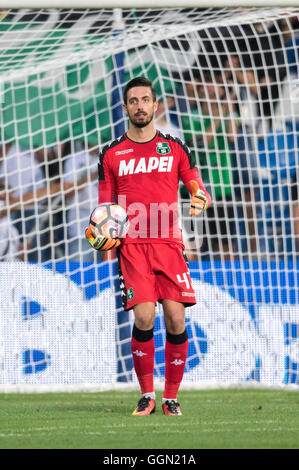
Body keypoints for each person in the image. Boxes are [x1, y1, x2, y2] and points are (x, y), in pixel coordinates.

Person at [85, 76, 211, 416]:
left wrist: (200, 196)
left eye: (145, 99)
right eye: (133, 100)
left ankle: (170, 397)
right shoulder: (111, 154)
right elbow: (103, 208)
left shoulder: (176, 147)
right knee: (143, 317)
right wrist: (101, 236)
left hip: (169, 245)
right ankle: (146, 395)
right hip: (133, 248)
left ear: (156, 105)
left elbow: (196, 186)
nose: (140, 105)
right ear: (125, 107)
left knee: (175, 318)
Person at [181, 71, 237, 258]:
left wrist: (228, 111)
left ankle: (231, 282)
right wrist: (221, 113)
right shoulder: (191, 116)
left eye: (216, 85)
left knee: (226, 242)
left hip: (223, 186)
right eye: (207, 84)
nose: (212, 89)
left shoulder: (228, 113)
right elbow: (204, 140)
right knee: (196, 242)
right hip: (197, 189)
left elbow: (232, 137)